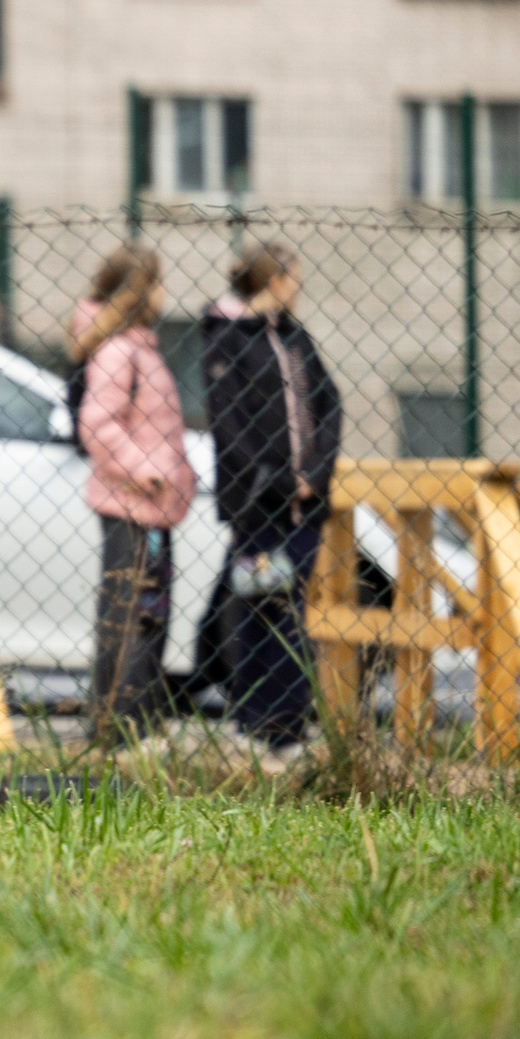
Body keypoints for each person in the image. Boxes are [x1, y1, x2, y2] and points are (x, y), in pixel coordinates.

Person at [201, 244, 341, 752]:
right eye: (294, 277)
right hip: (258, 507)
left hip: (307, 509)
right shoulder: (227, 340)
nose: (298, 287)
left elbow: (329, 402)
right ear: (275, 281)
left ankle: (285, 725)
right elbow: (229, 425)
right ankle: (257, 722)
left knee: (293, 611)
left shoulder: (293, 336)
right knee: (262, 608)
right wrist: (280, 480)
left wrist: (315, 474)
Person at [68, 246, 197, 740]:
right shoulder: (120, 353)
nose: (164, 293)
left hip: (154, 509)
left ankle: (137, 722)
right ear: (140, 290)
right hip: (131, 505)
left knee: (149, 615)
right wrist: (148, 472)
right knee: (130, 616)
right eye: (158, 282)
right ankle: (116, 728)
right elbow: (97, 424)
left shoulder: (141, 349)